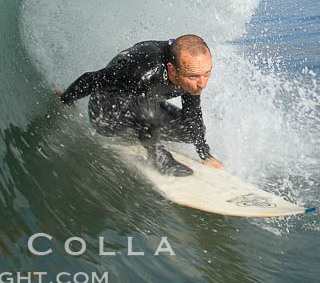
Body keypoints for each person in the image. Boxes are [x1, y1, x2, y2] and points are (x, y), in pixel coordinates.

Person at [54, 35, 224, 177]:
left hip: (144, 108)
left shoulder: (191, 69)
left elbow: (192, 112)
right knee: (148, 112)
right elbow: (91, 79)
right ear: (172, 70)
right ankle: (157, 156)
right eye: (194, 76)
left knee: (193, 128)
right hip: (107, 115)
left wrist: (204, 153)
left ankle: (145, 134)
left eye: (207, 74)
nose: (202, 84)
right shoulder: (139, 70)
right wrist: (65, 100)